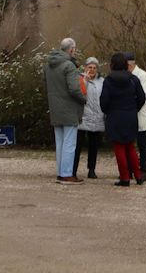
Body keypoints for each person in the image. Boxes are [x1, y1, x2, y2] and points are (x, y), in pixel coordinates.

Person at [99, 52, 146, 186]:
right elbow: (142, 98)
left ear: (112, 65)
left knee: (119, 147)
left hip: (114, 116)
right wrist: (133, 108)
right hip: (130, 116)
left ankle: (125, 177)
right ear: (126, 64)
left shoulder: (108, 80)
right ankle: (138, 175)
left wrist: (108, 111)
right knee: (130, 146)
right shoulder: (133, 79)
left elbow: (104, 101)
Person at [44, 37, 86, 184]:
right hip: (69, 109)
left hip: (55, 108)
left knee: (60, 143)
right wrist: (84, 99)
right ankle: (67, 174)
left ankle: (60, 172)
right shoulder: (69, 66)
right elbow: (74, 89)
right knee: (69, 143)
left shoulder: (48, 66)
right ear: (72, 49)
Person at [73, 56, 105, 179]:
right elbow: (77, 94)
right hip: (83, 116)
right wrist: (85, 81)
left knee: (94, 145)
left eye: (94, 67)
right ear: (85, 67)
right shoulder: (80, 79)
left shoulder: (102, 81)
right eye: (89, 67)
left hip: (97, 116)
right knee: (78, 145)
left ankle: (91, 169)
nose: (92, 70)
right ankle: (73, 170)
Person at [127, 52, 146, 183]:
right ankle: (130, 169)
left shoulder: (142, 75)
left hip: (140, 114)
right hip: (129, 115)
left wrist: (132, 108)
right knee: (129, 144)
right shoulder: (126, 76)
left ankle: (143, 170)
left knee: (142, 145)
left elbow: (145, 97)